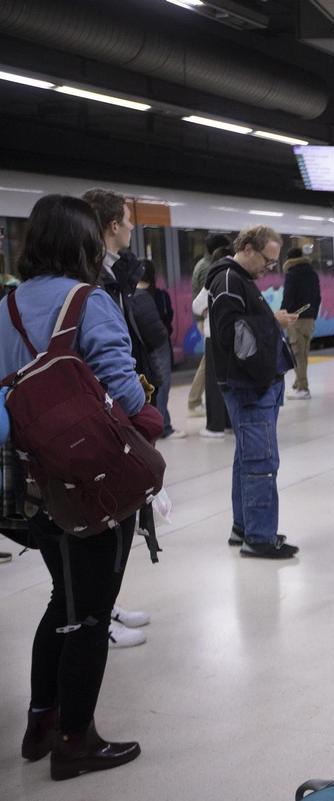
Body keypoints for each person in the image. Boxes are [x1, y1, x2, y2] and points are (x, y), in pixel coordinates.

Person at [2, 195, 150, 780]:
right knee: (90, 613)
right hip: (90, 483)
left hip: (22, 484)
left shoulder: (7, 303)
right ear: (86, 244)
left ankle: (40, 722)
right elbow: (126, 391)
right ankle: (75, 740)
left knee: (60, 598)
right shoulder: (87, 303)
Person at [83, 188, 154, 649]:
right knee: (104, 515)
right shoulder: (94, 284)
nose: (132, 229)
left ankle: (106, 604)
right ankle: (97, 615)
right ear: (112, 225)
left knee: (116, 513)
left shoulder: (112, 278)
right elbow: (109, 358)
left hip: (112, 412)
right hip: (105, 416)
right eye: (127, 221)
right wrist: (141, 410)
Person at [207, 225, 299, 558]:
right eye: (267, 260)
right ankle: (259, 537)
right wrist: (270, 323)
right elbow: (232, 335)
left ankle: (243, 527)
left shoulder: (237, 279)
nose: (269, 269)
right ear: (247, 248)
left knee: (247, 459)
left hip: (254, 385)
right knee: (261, 462)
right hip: (250, 387)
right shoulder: (230, 281)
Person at [131, 261, 183, 439]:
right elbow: (165, 322)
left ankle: (158, 423)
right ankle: (162, 425)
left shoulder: (129, 296)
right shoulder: (155, 296)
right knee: (161, 384)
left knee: (151, 385)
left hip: (143, 347)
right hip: (158, 345)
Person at [193, 245, 233, 438]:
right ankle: (229, 423)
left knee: (214, 383)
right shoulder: (237, 277)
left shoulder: (213, 279)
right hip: (232, 338)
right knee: (229, 380)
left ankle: (215, 427)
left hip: (213, 337)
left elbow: (196, 305)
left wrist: (206, 308)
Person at [188, 233, 230, 417]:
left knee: (208, 362)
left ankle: (196, 400)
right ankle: (194, 401)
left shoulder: (203, 264)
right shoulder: (209, 267)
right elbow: (209, 294)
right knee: (208, 363)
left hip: (206, 321)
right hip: (209, 322)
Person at [282, 246, 321, 400]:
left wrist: (283, 315)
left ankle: (303, 389)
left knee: (298, 355)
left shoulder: (292, 274)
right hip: (309, 319)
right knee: (303, 353)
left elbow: (288, 297)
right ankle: (298, 383)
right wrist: (313, 314)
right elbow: (318, 297)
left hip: (295, 319)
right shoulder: (312, 273)